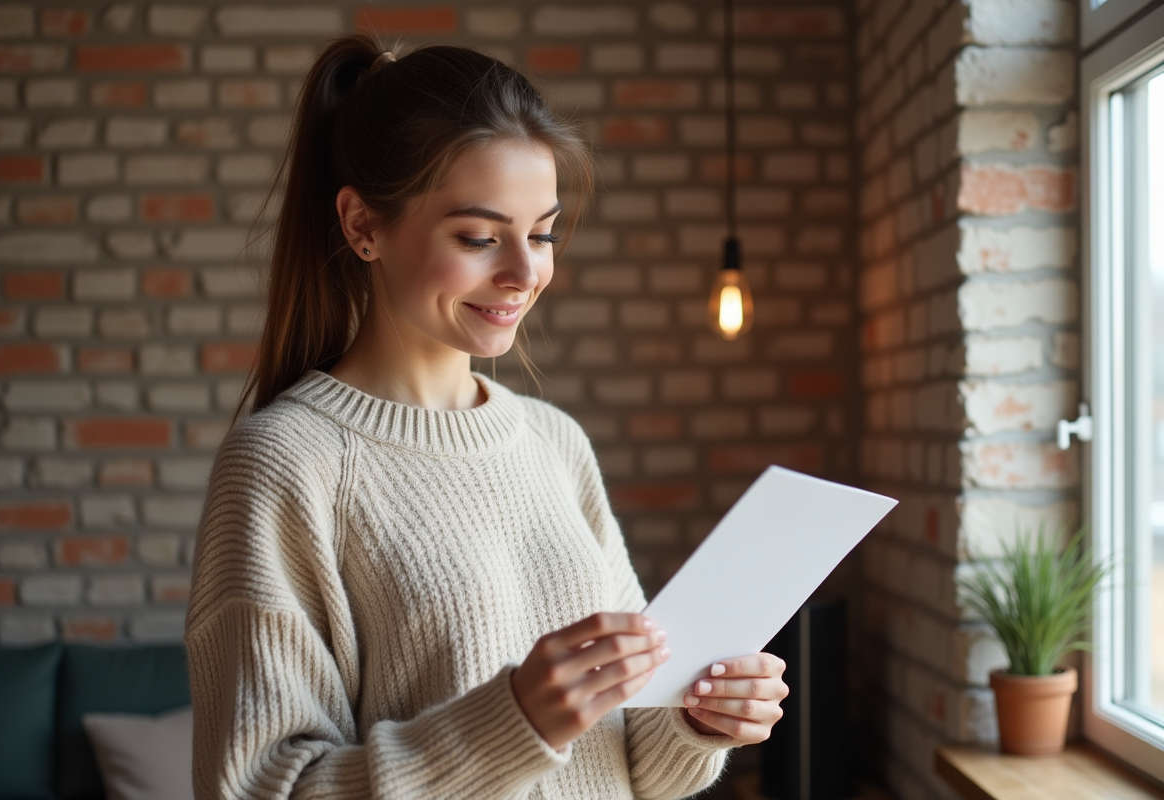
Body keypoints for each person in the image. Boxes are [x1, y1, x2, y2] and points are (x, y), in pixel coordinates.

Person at [184, 33, 788, 800]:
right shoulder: (286, 462)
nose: (526, 272)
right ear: (363, 225)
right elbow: (262, 788)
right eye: (478, 237)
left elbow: (637, 763)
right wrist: (514, 720)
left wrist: (700, 719)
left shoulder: (553, 442)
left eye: (541, 234)